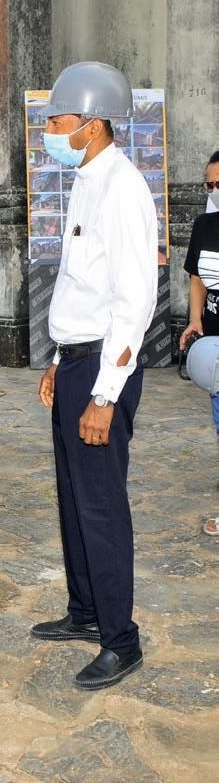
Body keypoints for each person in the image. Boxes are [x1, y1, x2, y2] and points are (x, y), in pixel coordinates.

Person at [32, 62, 158, 690]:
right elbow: (83, 287)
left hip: (105, 368)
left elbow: (134, 302)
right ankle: (85, 611)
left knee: (101, 507)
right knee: (73, 499)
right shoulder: (85, 181)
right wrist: (60, 362)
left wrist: (105, 395)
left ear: (91, 124)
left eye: (57, 121)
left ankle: (121, 640)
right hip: (77, 362)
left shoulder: (123, 188)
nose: (49, 132)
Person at [180, 149, 219, 534]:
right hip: (214, 345)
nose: (214, 190)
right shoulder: (204, 225)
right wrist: (194, 320)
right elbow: (197, 278)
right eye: (209, 184)